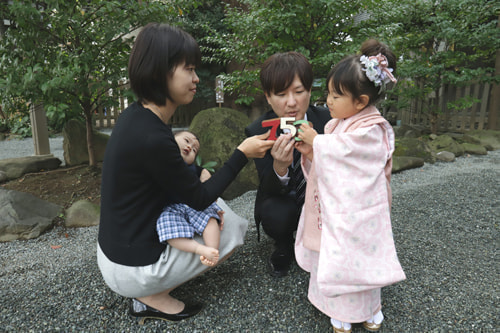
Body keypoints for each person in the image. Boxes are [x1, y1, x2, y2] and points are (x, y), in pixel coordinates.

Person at [97, 23, 274, 324]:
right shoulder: (153, 136)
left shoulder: (136, 117)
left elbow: (169, 180)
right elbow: (199, 197)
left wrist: (193, 166)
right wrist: (241, 154)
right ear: (159, 71)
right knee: (231, 228)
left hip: (114, 249)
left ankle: (155, 282)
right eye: (189, 70)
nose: (195, 79)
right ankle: (150, 297)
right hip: (131, 267)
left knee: (217, 211)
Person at [294, 39, 406, 333]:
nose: (328, 101)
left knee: (357, 255)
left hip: (360, 212)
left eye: (337, 95)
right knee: (336, 254)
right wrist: (312, 152)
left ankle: (368, 309)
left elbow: (350, 154)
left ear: (361, 103)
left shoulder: (372, 128)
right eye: (328, 93)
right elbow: (333, 154)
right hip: (338, 209)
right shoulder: (336, 126)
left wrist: (316, 141)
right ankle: (338, 308)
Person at [245, 52, 331, 277]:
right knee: (275, 212)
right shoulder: (258, 130)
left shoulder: (329, 121)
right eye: (281, 94)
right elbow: (266, 187)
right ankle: (283, 244)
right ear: (268, 97)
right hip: (285, 199)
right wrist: (279, 167)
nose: (292, 102)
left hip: (324, 195)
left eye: (299, 92)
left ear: (310, 91)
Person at [156, 130, 223, 267]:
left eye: (194, 150)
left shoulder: (193, 169)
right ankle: (199, 248)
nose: (189, 147)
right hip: (171, 207)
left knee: (210, 219)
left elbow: (205, 180)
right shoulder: (161, 161)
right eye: (186, 141)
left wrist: (206, 174)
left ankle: (213, 250)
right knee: (167, 227)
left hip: (193, 202)